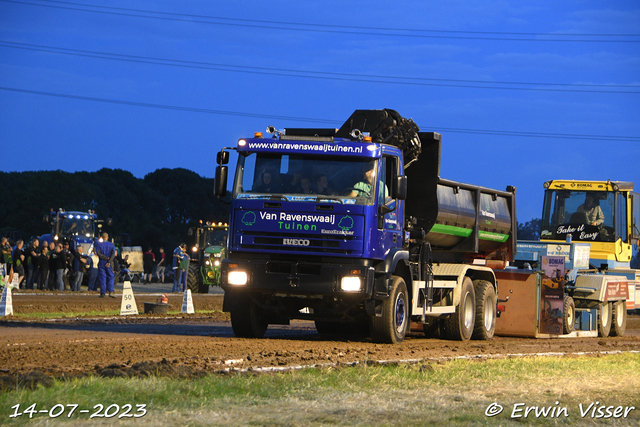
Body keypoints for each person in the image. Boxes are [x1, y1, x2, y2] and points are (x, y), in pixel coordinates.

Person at [95, 232, 116, 298]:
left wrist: (105, 258)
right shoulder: (111, 245)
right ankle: (111, 291)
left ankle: (103, 292)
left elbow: (98, 254)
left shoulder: (99, 245)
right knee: (111, 276)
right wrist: (109, 261)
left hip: (102, 262)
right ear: (107, 237)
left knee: (102, 277)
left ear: (102, 237)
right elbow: (113, 254)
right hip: (109, 263)